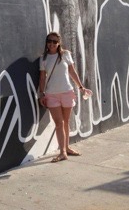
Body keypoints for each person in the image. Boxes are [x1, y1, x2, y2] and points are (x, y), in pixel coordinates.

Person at [38, 32, 93, 163]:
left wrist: (81, 87)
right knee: (59, 123)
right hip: (52, 95)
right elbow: (42, 77)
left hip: (67, 92)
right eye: (49, 41)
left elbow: (72, 71)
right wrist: (41, 94)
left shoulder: (65, 55)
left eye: (54, 41)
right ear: (46, 42)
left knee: (66, 122)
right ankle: (62, 152)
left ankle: (67, 148)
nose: (51, 44)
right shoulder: (43, 59)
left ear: (59, 43)